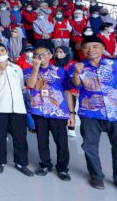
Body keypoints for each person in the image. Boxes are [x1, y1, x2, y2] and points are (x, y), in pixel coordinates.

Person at [70, 35, 117, 189]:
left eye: (95, 46)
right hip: (90, 113)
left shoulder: (113, 65)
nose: (91, 50)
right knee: (90, 146)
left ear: (103, 48)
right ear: (82, 50)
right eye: (87, 47)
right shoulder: (78, 66)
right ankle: (97, 177)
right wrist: (77, 73)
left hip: (114, 111)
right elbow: (74, 85)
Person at [24, 46, 75, 182]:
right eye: (37, 54)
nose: (41, 56)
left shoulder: (60, 71)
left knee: (62, 142)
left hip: (58, 112)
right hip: (39, 111)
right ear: (34, 57)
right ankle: (45, 164)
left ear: (50, 55)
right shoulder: (28, 70)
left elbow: (67, 92)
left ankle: (63, 168)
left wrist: (71, 113)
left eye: (44, 54)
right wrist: (35, 67)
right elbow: (31, 84)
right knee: (42, 141)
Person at [0, 43, 33, 176]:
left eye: (1, 50)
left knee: (20, 137)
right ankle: (0, 162)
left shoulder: (16, 68)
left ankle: (21, 163)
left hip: (18, 108)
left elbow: (22, 88)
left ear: (6, 51)